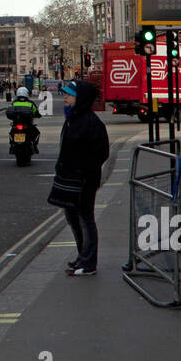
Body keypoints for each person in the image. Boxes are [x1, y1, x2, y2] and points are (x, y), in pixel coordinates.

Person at [56, 79, 109, 277]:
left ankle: (89, 263)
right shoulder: (73, 118)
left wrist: (81, 171)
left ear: (81, 99)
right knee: (71, 216)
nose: (66, 98)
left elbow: (101, 153)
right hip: (70, 179)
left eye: (69, 95)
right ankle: (82, 256)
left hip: (84, 180)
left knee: (85, 218)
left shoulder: (92, 123)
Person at [6, 85, 40, 156]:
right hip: (27, 125)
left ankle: (12, 146)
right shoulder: (30, 104)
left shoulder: (14, 103)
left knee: (11, 133)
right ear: (26, 94)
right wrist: (38, 115)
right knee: (37, 133)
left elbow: (10, 111)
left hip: (16, 124)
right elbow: (36, 112)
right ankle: (35, 146)